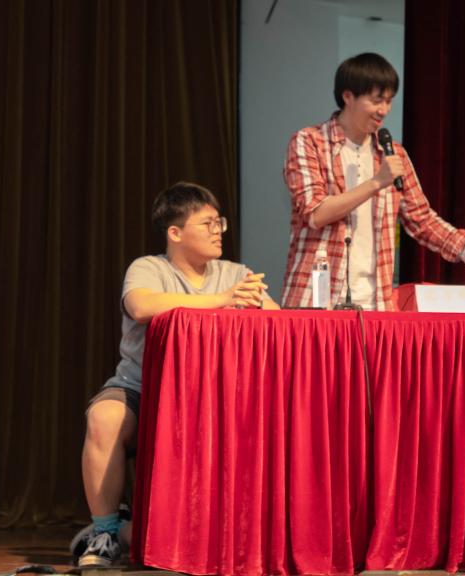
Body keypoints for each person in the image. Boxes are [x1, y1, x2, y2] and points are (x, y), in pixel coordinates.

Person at [73, 182, 278, 568]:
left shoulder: (235, 273)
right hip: (144, 388)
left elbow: (274, 320)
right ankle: (104, 533)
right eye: (207, 223)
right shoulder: (149, 269)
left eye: (220, 222)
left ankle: (237, 534)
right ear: (175, 232)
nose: (218, 231)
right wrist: (221, 300)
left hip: (216, 399)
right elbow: (141, 306)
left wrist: (256, 306)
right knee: (104, 417)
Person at [281, 52, 465, 310]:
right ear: (348, 96)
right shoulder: (309, 142)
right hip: (316, 298)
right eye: (376, 101)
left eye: (389, 101)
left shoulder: (393, 153)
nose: (384, 110)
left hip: (375, 302)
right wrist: (376, 182)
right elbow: (315, 213)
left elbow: (421, 218)